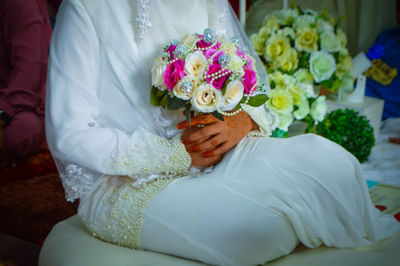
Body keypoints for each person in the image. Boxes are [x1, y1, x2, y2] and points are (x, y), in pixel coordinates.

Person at [44, 0, 400, 265]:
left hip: (218, 150)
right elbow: (70, 131)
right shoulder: (85, 8)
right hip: (126, 183)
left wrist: (241, 120)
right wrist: (176, 153)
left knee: (333, 164)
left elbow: (250, 82)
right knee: (260, 232)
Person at [0, 0, 56, 168]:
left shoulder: (20, 4)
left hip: (23, 105)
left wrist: (2, 114)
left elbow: (30, 69)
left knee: (21, 131)